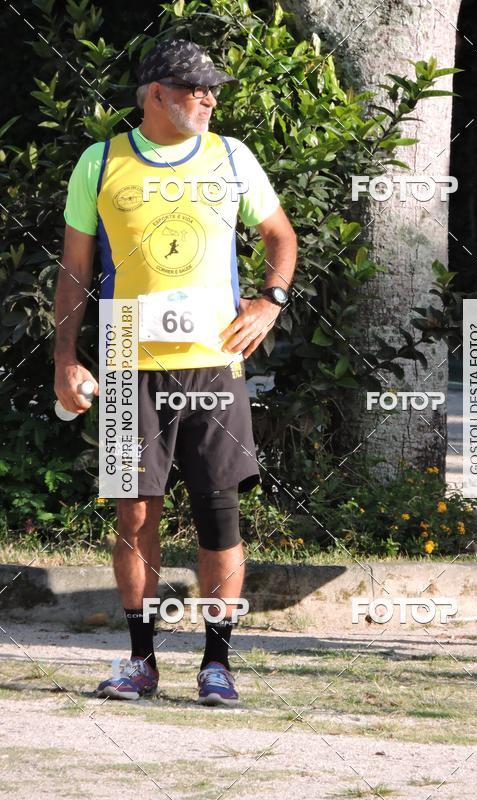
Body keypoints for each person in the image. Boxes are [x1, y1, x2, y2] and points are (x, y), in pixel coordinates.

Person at [53, 38, 297, 706]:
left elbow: (281, 235)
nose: (210, 99)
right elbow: (75, 270)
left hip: (215, 362)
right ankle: (140, 662)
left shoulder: (231, 157)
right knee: (134, 515)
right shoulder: (100, 162)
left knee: (219, 514)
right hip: (130, 357)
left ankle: (217, 665)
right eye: (197, 89)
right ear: (155, 92)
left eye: (213, 89)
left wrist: (268, 303)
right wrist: (65, 358)